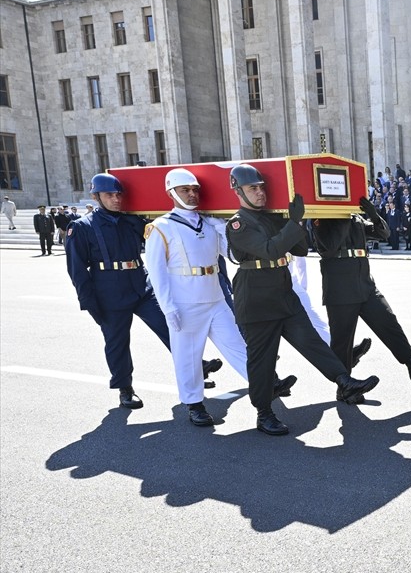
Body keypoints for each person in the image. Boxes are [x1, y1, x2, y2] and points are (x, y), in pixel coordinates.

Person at [225, 163, 380, 435]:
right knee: (262, 359)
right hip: (256, 298)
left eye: (261, 188)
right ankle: (264, 413)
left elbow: (299, 248)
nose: (260, 193)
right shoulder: (238, 224)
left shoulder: (271, 217)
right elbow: (270, 250)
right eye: (252, 188)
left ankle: (344, 380)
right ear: (238, 191)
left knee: (312, 342)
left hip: (282, 291)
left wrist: (294, 220)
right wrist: (293, 223)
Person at [143, 168, 259, 426]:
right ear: (171, 193)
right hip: (185, 302)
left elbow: (233, 256)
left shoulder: (208, 223)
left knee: (237, 346)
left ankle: (265, 384)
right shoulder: (161, 227)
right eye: (185, 190)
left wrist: (223, 230)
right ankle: (194, 403)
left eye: (195, 189)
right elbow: (157, 272)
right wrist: (168, 307)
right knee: (187, 356)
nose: (192, 194)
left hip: (215, 297)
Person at [311, 197, 411, 390]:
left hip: (364, 283)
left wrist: (373, 214)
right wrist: (342, 216)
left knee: (388, 322)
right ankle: (345, 387)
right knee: (342, 341)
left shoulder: (355, 218)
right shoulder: (321, 218)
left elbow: (383, 233)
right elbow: (329, 247)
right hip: (340, 287)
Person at [64, 174, 172, 409]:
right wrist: (89, 302)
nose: (116, 199)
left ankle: (195, 368)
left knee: (170, 325)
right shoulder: (82, 227)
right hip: (109, 292)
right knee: (117, 342)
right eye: (109, 195)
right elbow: (77, 270)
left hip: (140, 286)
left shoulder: (131, 221)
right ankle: (125, 389)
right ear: (96, 197)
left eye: (118, 194)